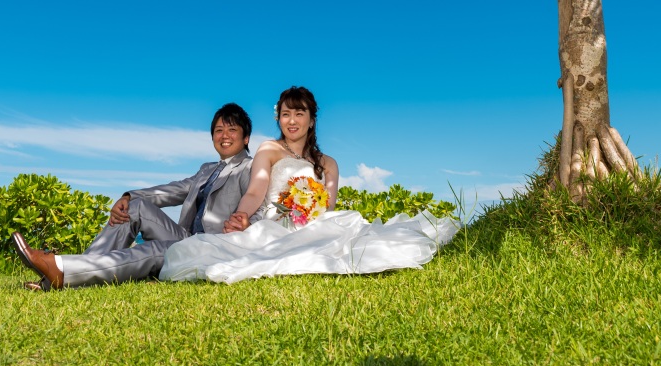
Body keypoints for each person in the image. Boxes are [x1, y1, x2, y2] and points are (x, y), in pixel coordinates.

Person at [159, 86, 459, 283]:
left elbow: (327, 207)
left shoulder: (328, 163)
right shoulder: (268, 149)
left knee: (347, 231)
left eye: (299, 113)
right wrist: (242, 215)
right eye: (286, 114)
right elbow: (256, 189)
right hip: (272, 222)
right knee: (199, 253)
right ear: (279, 119)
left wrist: (307, 207)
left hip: (311, 225)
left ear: (311, 119)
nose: (292, 120)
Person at [12, 102, 254, 289]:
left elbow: (260, 206)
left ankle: (64, 270)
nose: (224, 136)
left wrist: (246, 226)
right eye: (219, 130)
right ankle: (73, 270)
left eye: (232, 130)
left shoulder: (250, 168)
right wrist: (128, 196)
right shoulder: (206, 169)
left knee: (159, 249)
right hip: (187, 238)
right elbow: (173, 190)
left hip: (214, 246)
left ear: (246, 138)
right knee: (135, 207)